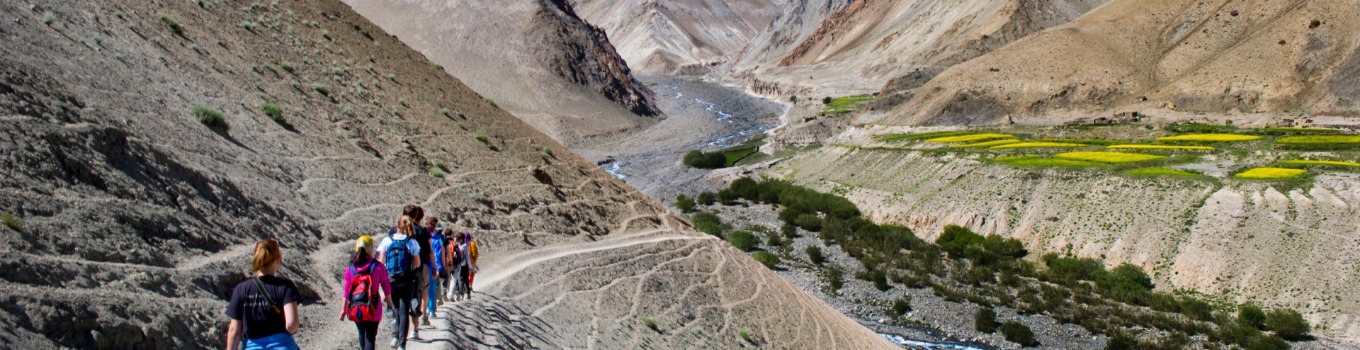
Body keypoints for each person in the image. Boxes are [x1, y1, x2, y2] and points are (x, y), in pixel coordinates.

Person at [226, 239, 302, 350]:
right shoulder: (286, 287)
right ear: (278, 259)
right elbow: (291, 325)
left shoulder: (241, 289)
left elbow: (234, 330)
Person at [378, 215, 422, 349]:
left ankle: (394, 336)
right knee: (404, 312)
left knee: (394, 308)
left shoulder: (387, 240)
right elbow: (418, 263)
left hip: (391, 280)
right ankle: (402, 344)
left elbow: (381, 262)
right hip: (407, 281)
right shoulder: (411, 242)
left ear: (397, 226)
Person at [341, 235, 392, 350]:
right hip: (373, 307)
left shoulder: (351, 268)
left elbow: (346, 290)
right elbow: (386, 287)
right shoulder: (378, 266)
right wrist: (390, 304)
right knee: (370, 336)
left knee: (361, 333)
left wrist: (342, 309)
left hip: (356, 307)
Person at [422, 217, 444, 318]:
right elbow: (440, 252)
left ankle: (424, 310)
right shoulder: (439, 239)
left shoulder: (422, 234)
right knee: (432, 287)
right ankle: (431, 310)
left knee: (424, 288)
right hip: (432, 263)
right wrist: (439, 266)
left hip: (423, 264)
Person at [465, 231, 479, 299]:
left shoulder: (463, 243)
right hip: (471, 262)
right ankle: (470, 285)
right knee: (472, 273)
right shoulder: (472, 243)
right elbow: (475, 253)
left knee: (465, 274)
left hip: (465, 262)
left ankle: (465, 286)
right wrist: (474, 259)